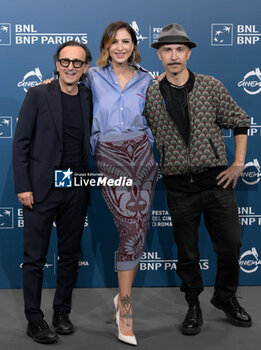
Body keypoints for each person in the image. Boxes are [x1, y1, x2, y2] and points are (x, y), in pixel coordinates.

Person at [144, 23, 252, 335]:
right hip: (178, 187)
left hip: (216, 182)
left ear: (189, 53)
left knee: (230, 244)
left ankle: (225, 297)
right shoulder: (149, 93)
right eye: (167, 50)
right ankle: (193, 303)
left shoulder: (211, 85)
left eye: (179, 49)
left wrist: (239, 163)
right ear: (159, 55)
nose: (174, 55)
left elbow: (240, 120)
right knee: (187, 251)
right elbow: (115, 100)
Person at [82, 21, 157, 346]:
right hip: (110, 154)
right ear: (106, 46)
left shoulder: (147, 78)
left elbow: (157, 115)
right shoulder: (91, 76)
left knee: (138, 229)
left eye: (126, 41)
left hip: (142, 154)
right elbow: (66, 90)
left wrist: (148, 140)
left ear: (134, 45)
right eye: (114, 42)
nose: (120, 47)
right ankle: (125, 309)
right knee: (128, 226)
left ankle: (122, 301)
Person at [13, 40, 92, 344]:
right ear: (56, 63)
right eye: (65, 61)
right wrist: (23, 186)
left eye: (77, 62)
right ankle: (35, 319)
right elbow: (20, 143)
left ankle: (62, 312)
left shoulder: (87, 95)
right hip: (41, 189)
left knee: (69, 254)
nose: (70, 66)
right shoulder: (38, 94)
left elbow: (121, 78)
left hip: (76, 188)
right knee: (34, 258)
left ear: (85, 67)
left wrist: (158, 77)